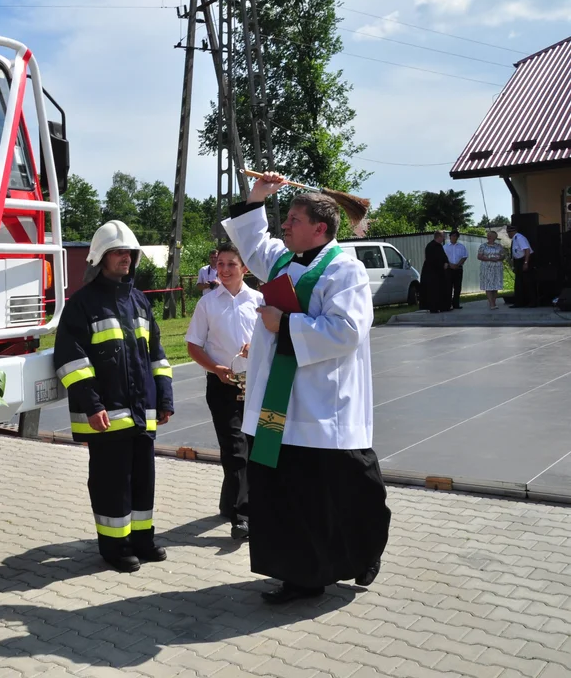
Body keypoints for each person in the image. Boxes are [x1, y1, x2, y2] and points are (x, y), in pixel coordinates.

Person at [222, 172, 391, 604]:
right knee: (285, 493)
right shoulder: (283, 261)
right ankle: (300, 575)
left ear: (320, 227)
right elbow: (254, 243)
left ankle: (363, 551)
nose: (285, 226)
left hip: (322, 406)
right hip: (279, 406)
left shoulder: (344, 269)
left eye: (293, 219)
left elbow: (348, 330)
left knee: (347, 487)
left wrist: (287, 324)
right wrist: (259, 196)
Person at [54, 220, 175, 573]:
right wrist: (92, 405)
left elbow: (157, 354)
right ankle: (113, 547)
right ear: (101, 258)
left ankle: (142, 539)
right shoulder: (82, 305)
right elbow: (71, 361)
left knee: (143, 480)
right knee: (111, 484)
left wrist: (164, 398)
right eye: (118, 252)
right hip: (107, 415)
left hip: (142, 413)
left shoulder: (138, 301)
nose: (126, 258)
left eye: (129, 253)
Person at [185, 242, 261, 540]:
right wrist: (216, 369)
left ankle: (230, 502)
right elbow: (193, 346)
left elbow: (274, 339)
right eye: (221, 265)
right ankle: (243, 516)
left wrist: (257, 346)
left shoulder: (259, 300)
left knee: (254, 450)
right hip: (222, 386)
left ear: (245, 268)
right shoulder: (208, 303)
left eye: (232, 264)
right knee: (235, 450)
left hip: (255, 386)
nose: (225, 270)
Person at [420, 231, 451, 313]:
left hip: (440, 273)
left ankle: (443, 306)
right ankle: (434, 307)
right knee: (433, 291)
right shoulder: (430, 246)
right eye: (443, 236)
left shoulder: (439, 246)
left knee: (442, 290)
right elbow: (431, 260)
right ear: (439, 237)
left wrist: (446, 262)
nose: (444, 238)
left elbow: (443, 256)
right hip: (432, 273)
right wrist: (442, 265)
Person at [507, 225, 537, 308]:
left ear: (512, 232)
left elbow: (527, 250)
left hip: (523, 260)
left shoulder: (519, 238)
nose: (508, 234)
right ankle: (520, 302)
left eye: (508, 232)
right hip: (518, 261)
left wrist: (526, 262)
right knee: (519, 283)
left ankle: (532, 302)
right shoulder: (515, 239)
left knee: (527, 282)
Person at [477, 231, 505, 310]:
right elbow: (479, 256)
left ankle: (493, 302)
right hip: (487, 267)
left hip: (497, 267)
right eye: (488, 235)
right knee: (488, 285)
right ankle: (491, 303)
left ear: (494, 237)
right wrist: (489, 258)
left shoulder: (499, 246)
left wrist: (499, 258)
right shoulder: (483, 246)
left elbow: (503, 256)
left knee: (495, 285)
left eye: (490, 235)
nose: (488, 237)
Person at [444, 229, 468, 309]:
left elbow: (464, 256)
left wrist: (458, 265)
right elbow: (444, 258)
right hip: (449, 269)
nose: (454, 237)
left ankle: (456, 304)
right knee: (448, 287)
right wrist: (450, 265)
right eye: (453, 236)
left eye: (456, 236)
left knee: (457, 287)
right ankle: (448, 304)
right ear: (450, 237)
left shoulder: (461, 246)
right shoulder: (445, 247)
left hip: (458, 268)